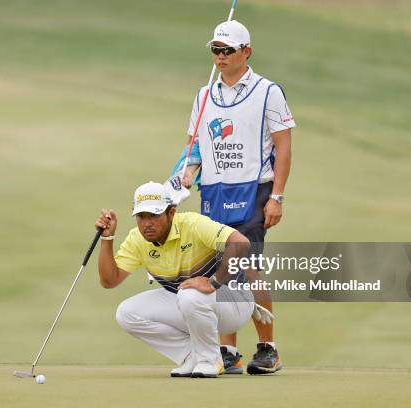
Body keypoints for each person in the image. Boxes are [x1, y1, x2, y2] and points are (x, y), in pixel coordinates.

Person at [176, 20, 295, 375]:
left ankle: (268, 347)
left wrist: (278, 197)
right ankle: (228, 351)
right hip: (213, 191)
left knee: (248, 266)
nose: (221, 57)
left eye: (228, 50)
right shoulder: (203, 94)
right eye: (216, 50)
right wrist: (187, 172)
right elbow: (195, 145)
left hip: (253, 190)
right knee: (219, 269)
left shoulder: (268, 91)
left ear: (247, 52)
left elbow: (284, 147)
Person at [95, 181, 263, 378]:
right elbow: (109, 281)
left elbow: (240, 243)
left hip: (233, 301)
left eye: (154, 215)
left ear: (171, 213)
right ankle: (191, 356)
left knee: (189, 295)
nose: (147, 223)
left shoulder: (193, 224)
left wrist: (213, 282)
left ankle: (210, 360)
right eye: (141, 216)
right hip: (190, 302)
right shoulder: (137, 239)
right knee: (126, 313)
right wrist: (107, 239)